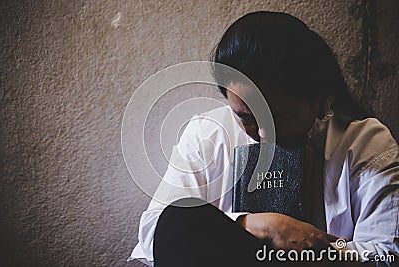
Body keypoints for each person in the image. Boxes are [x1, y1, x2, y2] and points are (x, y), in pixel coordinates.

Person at [128, 11, 399, 266]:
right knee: (181, 217)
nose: (263, 133)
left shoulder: (365, 143)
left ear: (317, 99)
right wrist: (257, 226)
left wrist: (312, 249)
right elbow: (156, 233)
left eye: (282, 116)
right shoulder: (206, 133)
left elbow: (387, 254)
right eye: (245, 117)